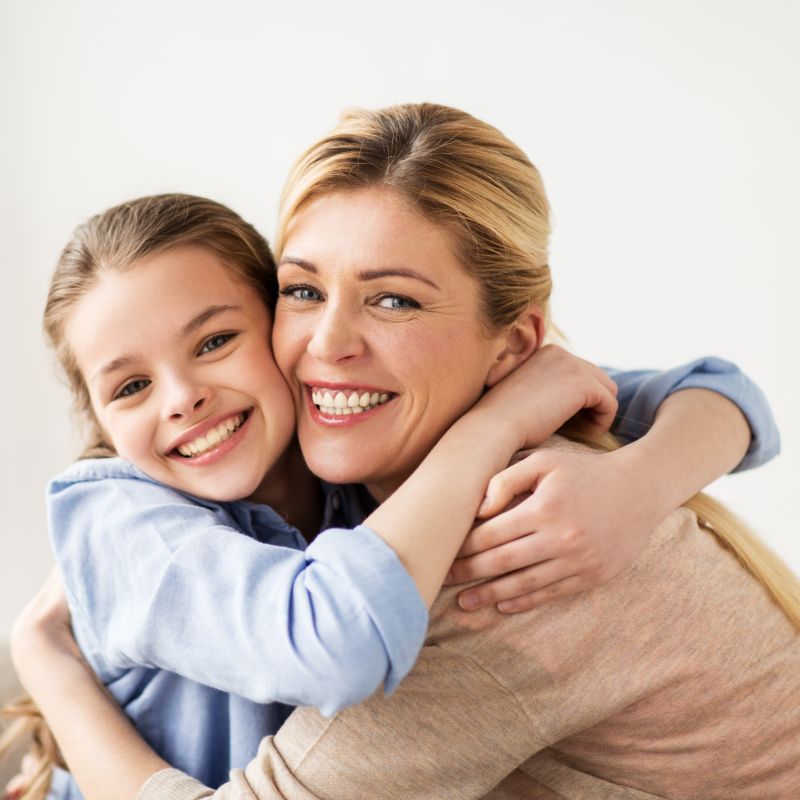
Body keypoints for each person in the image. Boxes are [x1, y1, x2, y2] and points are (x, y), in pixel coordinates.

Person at [9, 103, 795, 799]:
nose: (329, 344)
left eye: (394, 300)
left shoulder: (521, 555)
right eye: (306, 291)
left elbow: (720, 390)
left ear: (513, 349)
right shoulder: (439, 438)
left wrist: (637, 482)